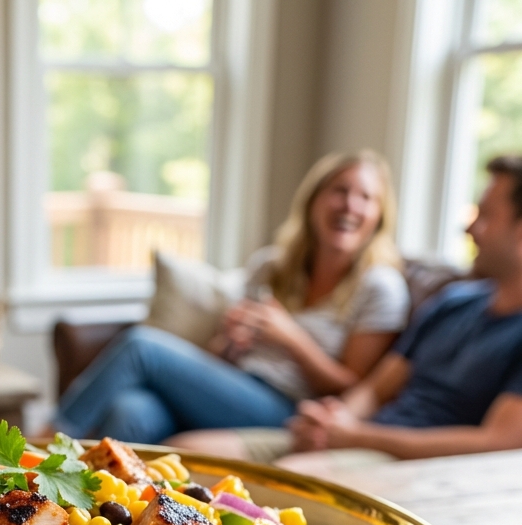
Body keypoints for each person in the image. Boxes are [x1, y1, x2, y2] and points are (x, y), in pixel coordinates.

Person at [53, 150, 410, 444]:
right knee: (129, 411)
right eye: (340, 190)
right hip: (230, 389)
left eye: (366, 197)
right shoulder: (271, 266)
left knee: (142, 346)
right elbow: (220, 357)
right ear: (314, 200)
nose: (350, 205)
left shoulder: (380, 286)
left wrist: (290, 338)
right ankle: (108, 520)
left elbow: (357, 387)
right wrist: (228, 344)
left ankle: (45, 445)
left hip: (288, 407)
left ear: (379, 215)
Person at [282, 156, 522, 460]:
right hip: (360, 441)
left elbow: (495, 442)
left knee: (295, 477)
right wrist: (332, 423)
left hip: (407, 463)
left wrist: (357, 436)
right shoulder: (453, 301)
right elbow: (375, 389)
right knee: (210, 451)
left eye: (485, 216)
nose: (470, 228)